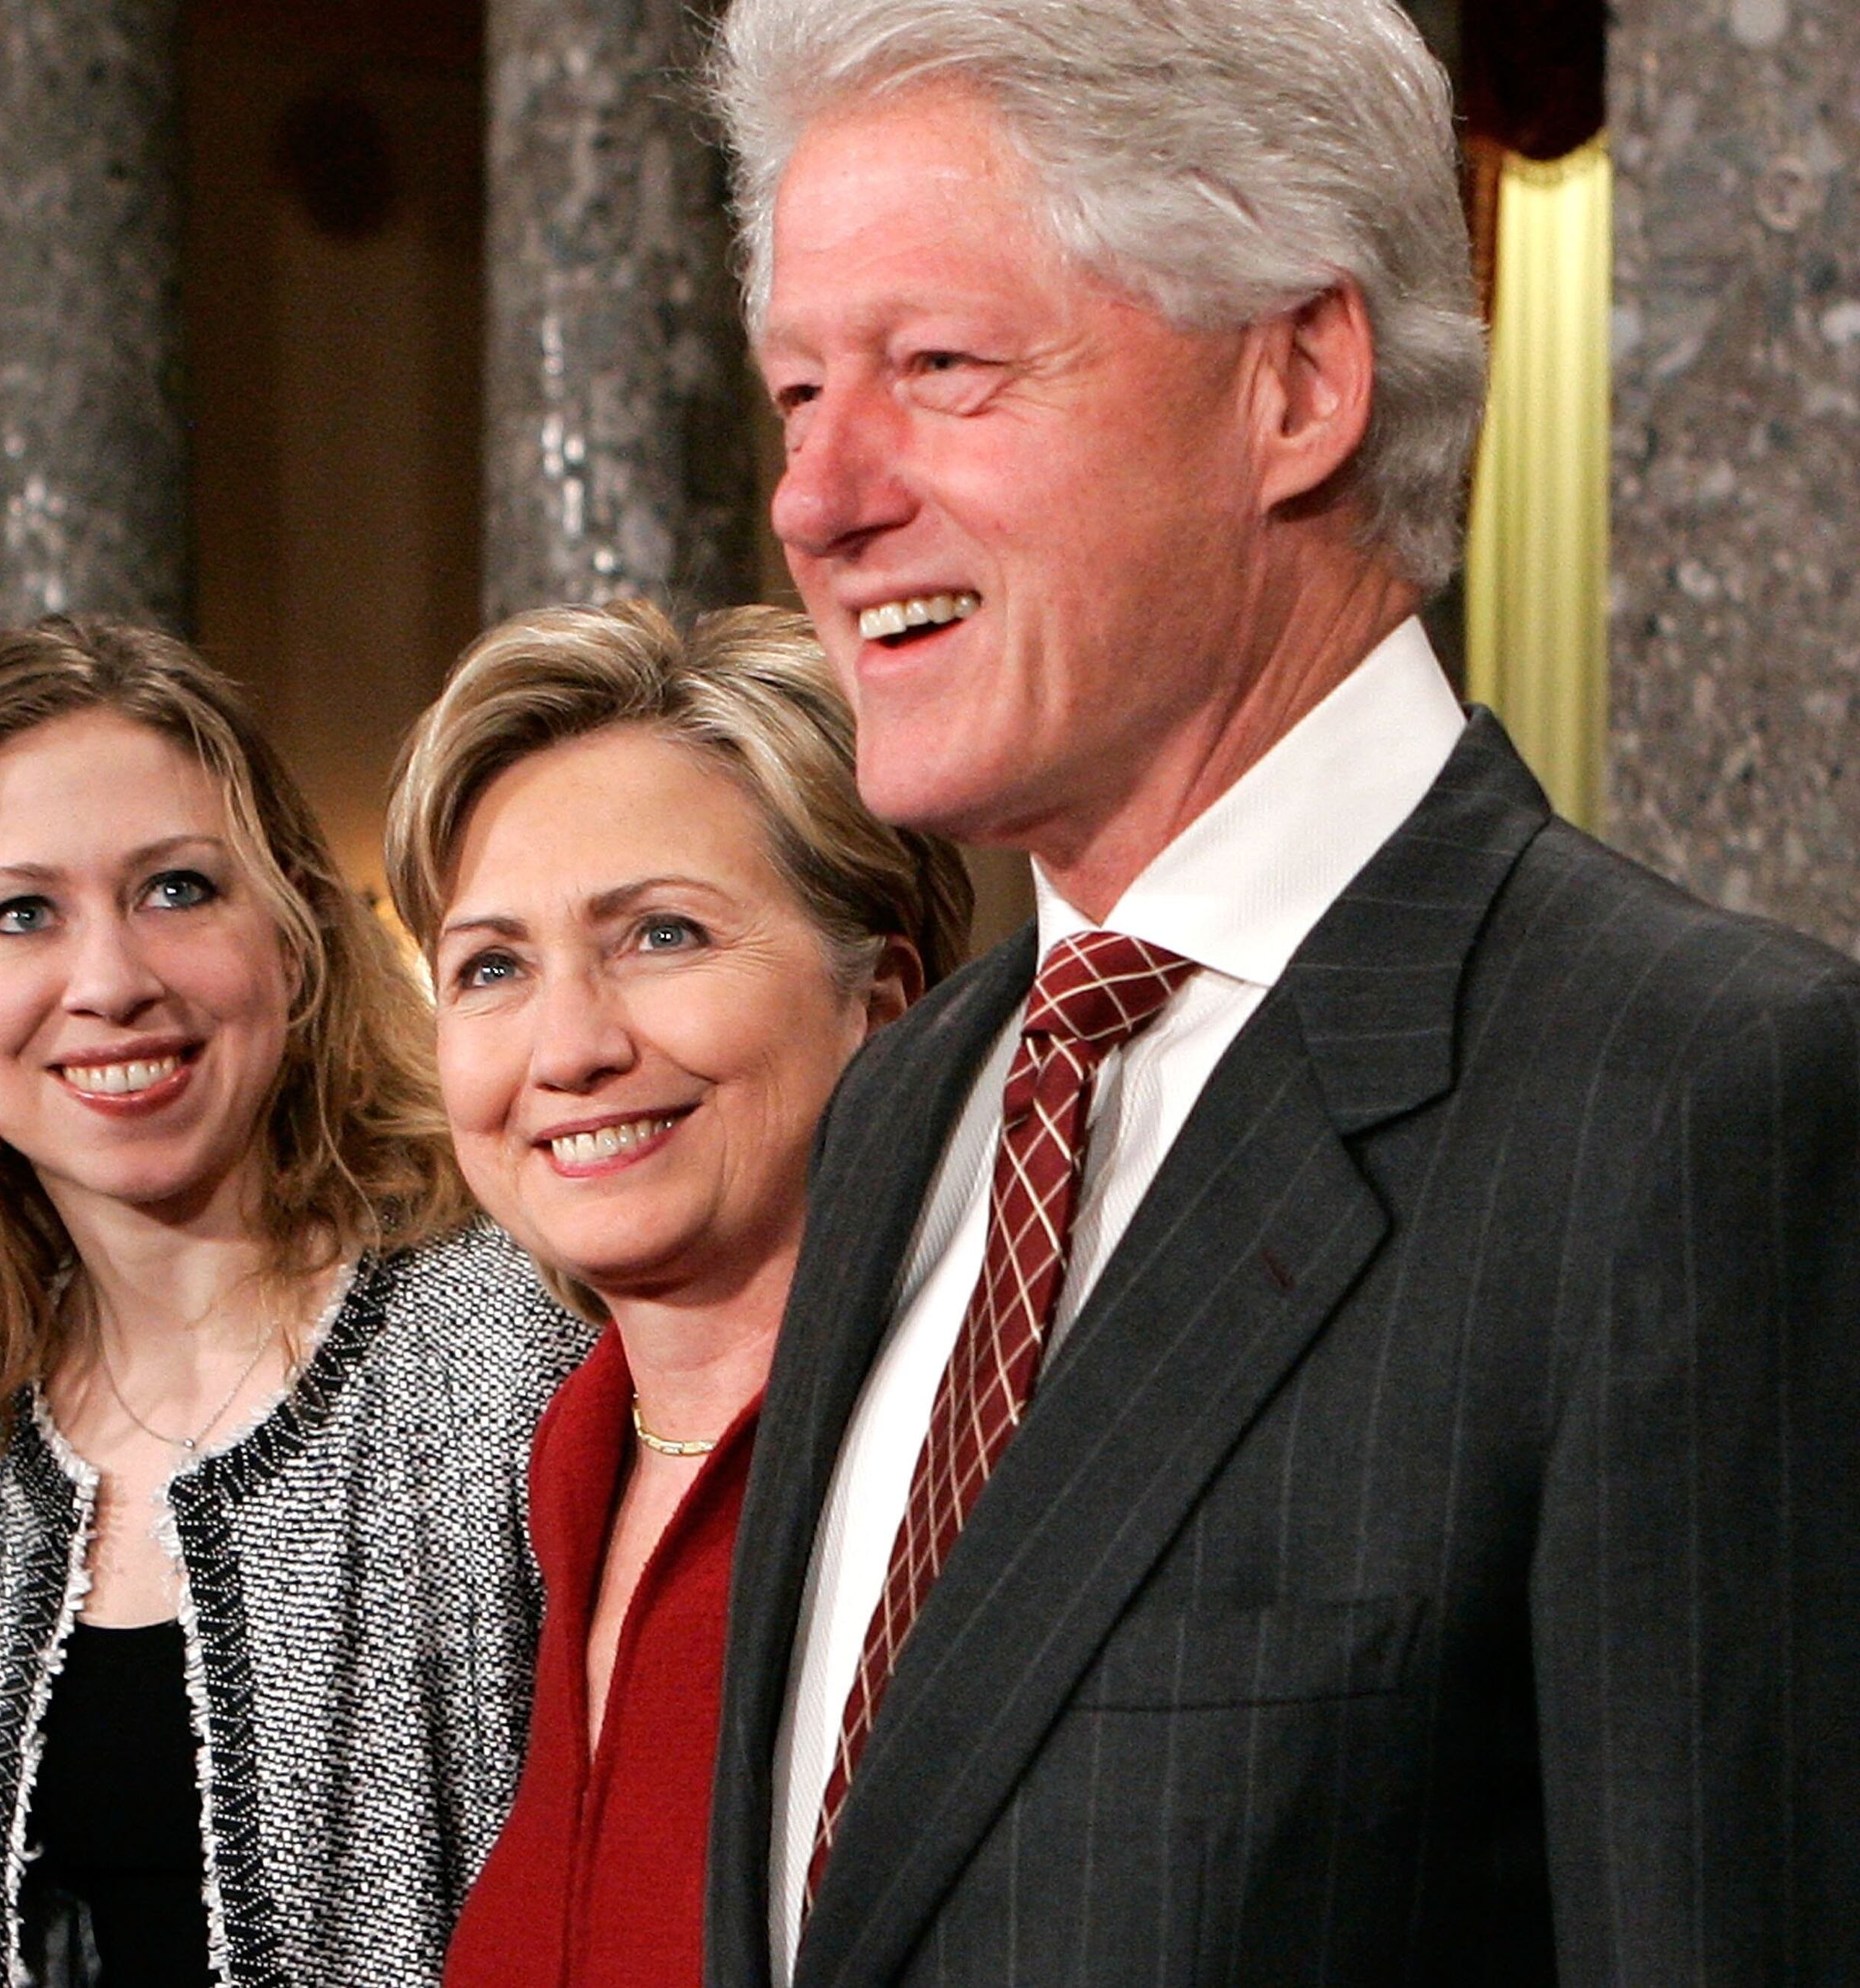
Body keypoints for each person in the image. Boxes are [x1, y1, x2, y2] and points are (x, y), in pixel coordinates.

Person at [698, 2, 1860, 1983]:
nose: (819, 498)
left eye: (940, 369)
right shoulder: (906, 1110)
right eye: (801, 392)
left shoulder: (1695, 1101)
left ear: (1302, 382)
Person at [0, 615, 592, 1988]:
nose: (112, 982)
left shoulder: (510, 1350)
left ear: (293, 938)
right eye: (19, 913)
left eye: (175, 890)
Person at [385, 600, 969, 1988]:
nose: (569, 1046)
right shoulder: (567, 1457)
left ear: (881, 1005)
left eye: (660, 935)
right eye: (493, 967)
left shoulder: (976, 1466)